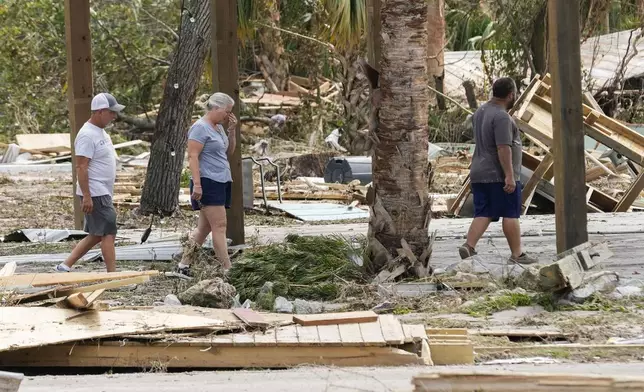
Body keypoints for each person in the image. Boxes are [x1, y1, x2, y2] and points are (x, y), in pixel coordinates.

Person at [459, 77, 537, 265]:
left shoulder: (481, 111)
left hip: (479, 172)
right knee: (510, 213)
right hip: (497, 175)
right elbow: (503, 147)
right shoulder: (502, 117)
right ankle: (517, 255)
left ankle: (469, 246)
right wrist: (509, 176)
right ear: (511, 95)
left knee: (484, 212)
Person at [55, 93, 124, 272]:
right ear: (100, 111)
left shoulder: (100, 132)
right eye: (111, 112)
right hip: (95, 191)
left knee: (96, 234)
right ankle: (112, 276)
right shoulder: (86, 135)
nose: (114, 116)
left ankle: (65, 265)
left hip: (102, 191)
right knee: (109, 233)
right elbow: (81, 167)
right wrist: (87, 195)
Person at [176, 92, 237, 276]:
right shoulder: (200, 128)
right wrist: (197, 184)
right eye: (227, 111)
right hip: (207, 181)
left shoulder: (218, 128)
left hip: (222, 179)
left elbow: (228, 152)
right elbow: (193, 156)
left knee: (203, 228)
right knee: (219, 226)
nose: (228, 115)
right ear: (216, 108)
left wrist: (232, 131)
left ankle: (183, 265)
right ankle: (227, 269)